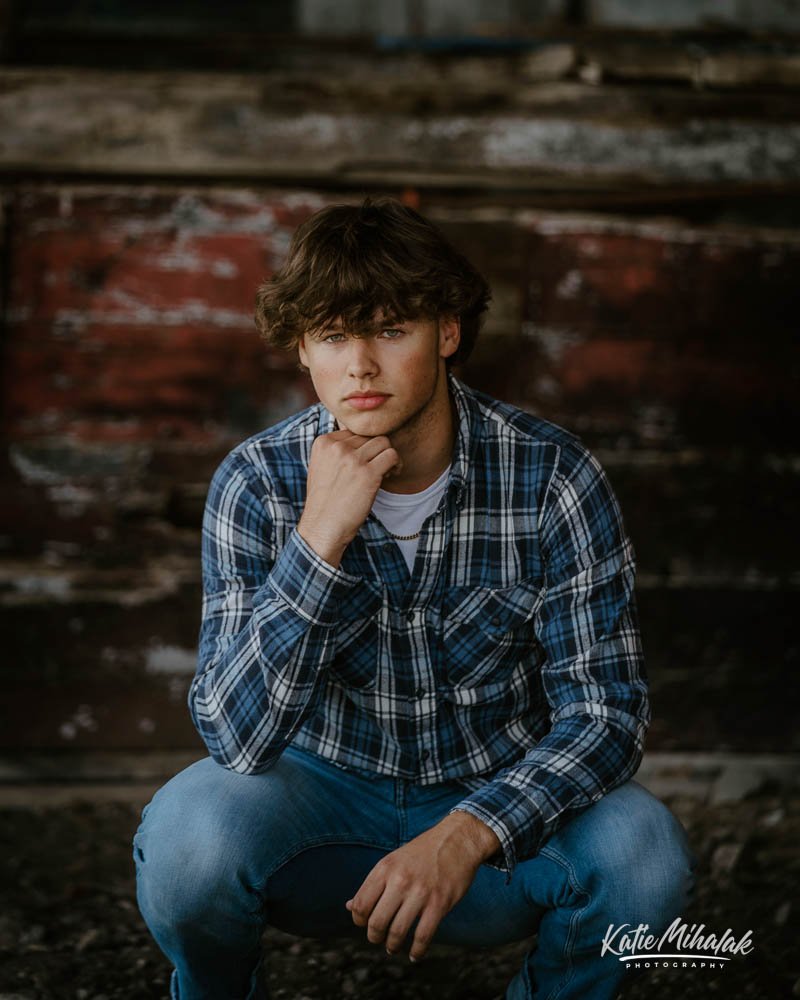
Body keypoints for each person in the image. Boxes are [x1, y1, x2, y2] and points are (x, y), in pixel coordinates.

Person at [134, 197, 695, 1000]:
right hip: (319, 813)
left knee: (645, 856)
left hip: (497, 818)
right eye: (334, 336)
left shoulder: (552, 477)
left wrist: (469, 832)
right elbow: (235, 739)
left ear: (447, 333)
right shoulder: (257, 482)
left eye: (391, 330)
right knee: (187, 839)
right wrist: (318, 540)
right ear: (303, 350)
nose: (361, 365)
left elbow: (607, 713)